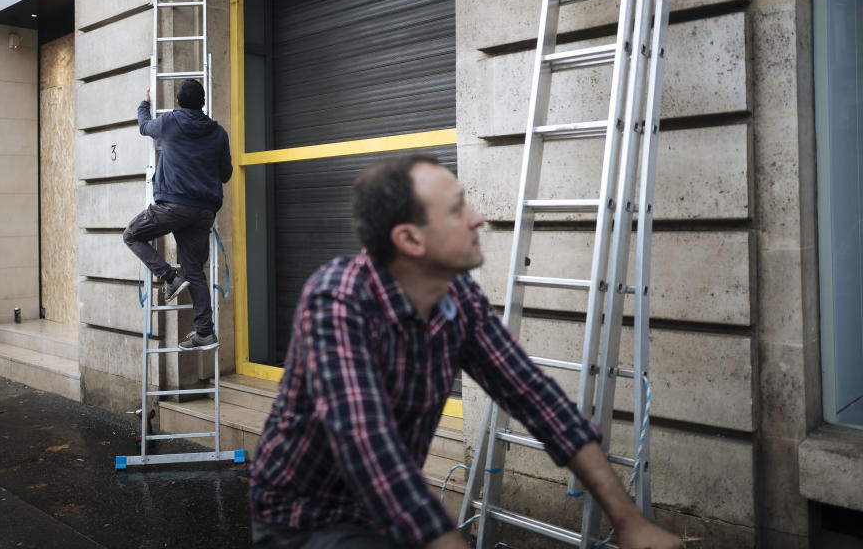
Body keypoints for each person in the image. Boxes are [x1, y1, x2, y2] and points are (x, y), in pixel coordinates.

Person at [249, 153, 681, 549]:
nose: (477, 219)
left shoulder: (459, 299)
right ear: (411, 240)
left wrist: (630, 523)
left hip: (394, 512)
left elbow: (536, 397)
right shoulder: (337, 299)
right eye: (457, 209)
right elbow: (368, 444)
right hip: (307, 520)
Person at [122, 79, 232, 349]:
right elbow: (226, 174)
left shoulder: (170, 122)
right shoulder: (219, 134)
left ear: (178, 102)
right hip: (204, 211)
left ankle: (170, 278)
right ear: (203, 103)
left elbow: (144, 126)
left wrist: (144, 103)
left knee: (131, 235)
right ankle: (205, 332)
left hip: (173, 207)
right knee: (196, 272)